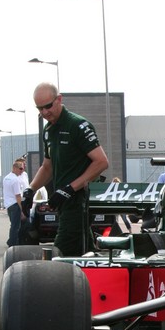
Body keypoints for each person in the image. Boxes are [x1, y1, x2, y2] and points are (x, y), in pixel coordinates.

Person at [22, 83, 109, 257]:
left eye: (48, 106)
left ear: (59, 99)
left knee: (59, 256)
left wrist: (69, 189)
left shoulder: (78, 125)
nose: (44, 112)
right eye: (40, 108)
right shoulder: (48, 130)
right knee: (84, 253)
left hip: (79, 201)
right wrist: (30, 189)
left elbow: (101, 162)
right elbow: (47, 167)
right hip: (63, 203)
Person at [2, 160, 27, 247]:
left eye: (23, 169)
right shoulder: (15, 180)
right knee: (16, 227)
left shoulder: (6, 178)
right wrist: (21, 209)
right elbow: (18, 196)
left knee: (13, 224)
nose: (22, 171)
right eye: (20, 169)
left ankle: (11, 242)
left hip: (9, 204)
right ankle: (13, 244)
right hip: (15, 204)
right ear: (14, 168)